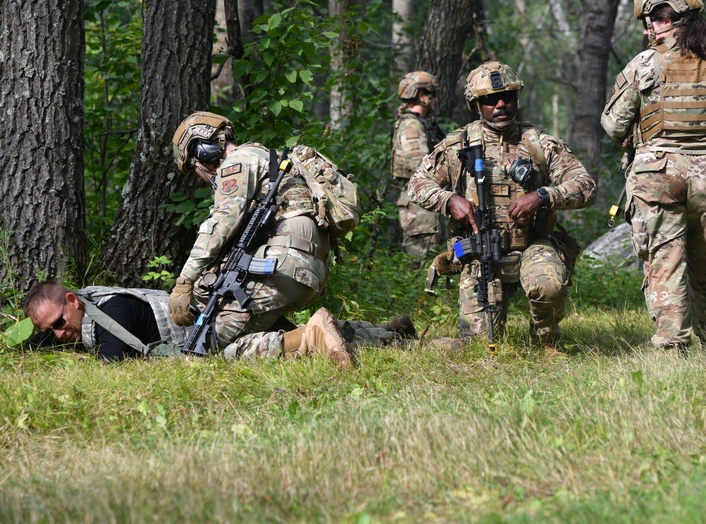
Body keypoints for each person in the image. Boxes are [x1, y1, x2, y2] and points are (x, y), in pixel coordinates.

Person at [601, 0, 706, 352]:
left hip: (656, 175)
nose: (651, 26)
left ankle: (672, 346)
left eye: (659, 18)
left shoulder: (643, 64)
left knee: (665, 260)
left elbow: (613, 125)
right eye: (650, 19)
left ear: (681, 19)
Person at [407, 61, 596, 346]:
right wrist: (450, 200)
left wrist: (544, 196)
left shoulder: (538, 143)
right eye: (489, 100)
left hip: (533, 243)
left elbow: (585, 186)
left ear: (516, 99)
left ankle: (547, 341)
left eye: (507, 96)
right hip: (480, 250)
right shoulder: (458, 145)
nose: (500, 104)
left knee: (549, 285)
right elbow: (416, 185)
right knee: (479, 346)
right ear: (476, 104)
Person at [167, 111, 343, 359]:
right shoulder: (266, 162)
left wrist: (184, 281)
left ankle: (310, 339)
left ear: (204, 150)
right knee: (252, 330)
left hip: (285, 264)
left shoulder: (237, 163)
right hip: (309, 266)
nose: (199, 177)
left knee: (205, 352)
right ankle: (379, 336)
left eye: (194, 166)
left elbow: (221, 223)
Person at [24, 280, 415, 362]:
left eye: (59, 323)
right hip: (225, 312)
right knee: (315, 333)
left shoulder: (107, 316)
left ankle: (312, 337)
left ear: (73, 301)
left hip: (217, 329)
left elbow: (112, 366)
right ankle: (388, 336)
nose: (60, 335)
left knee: (236, 355)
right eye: (50, 333)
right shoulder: (99, 302)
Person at [391, 71, 447, 255]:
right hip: (419, 207)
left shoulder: (419, 123)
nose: (434, 100)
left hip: (424, 203)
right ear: (422, 96)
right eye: (431, 94)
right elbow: (423, 168)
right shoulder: (412, 126)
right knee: (421, 264)